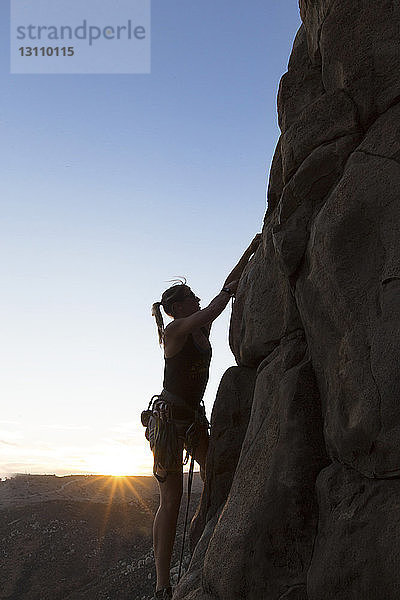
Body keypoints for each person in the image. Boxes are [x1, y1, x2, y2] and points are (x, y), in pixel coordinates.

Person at [148, 234, 261, 600]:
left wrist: (251, 249)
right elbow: (215, 305)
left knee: (218, 473)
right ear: (178, 308)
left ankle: (212, 535)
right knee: (173, 499)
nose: (197, 298)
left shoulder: (196, 327)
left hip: (191, 419)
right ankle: (163, 584)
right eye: (190, 296)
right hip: (169, 422)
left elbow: (222, 292)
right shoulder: (175, 330)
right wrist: (221, 295)